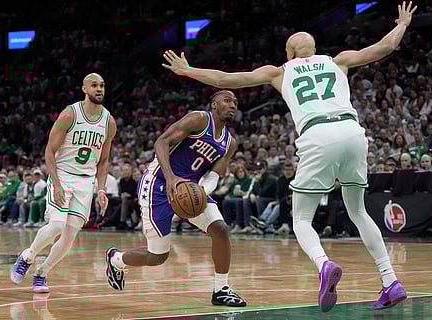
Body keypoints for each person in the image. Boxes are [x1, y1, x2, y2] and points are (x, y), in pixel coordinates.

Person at [162, 1, 417, 311]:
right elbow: (385, 46)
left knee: (300, 219)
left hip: (317, 135)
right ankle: (390, 281)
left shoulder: (279, 71)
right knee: (358, 211)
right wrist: (402, 24)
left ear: (289, 54)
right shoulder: (339, 61)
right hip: (353, 132)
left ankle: (324, 265)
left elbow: (225, 80)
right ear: (314, 48)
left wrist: (188, 70)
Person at [105, 90, 247, 307]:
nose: (232, 105)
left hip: (189, 190)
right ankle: (116, 259)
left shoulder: (229, 143)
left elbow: (214, 175)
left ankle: (221, 289)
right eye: (227, 101)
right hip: (159, 184)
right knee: (158, 256)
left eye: (235, 102)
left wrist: (201, 191)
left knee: (221, 229)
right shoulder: (199, 119)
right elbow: (161, 143)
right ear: (214, 105)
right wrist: (171, 179)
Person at [10, 73, 117, 293]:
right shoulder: (70, 114)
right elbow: (49, 151)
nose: (99, 89)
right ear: (84, 89)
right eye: (94, 85)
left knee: (69, 238)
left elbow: (104, 160)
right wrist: (57, 183)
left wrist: (102, 189)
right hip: (64, 175)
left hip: (86, 183)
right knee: (57, 225)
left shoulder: (109, 122)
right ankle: (28, 256)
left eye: (102, 85)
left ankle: (42, 273)